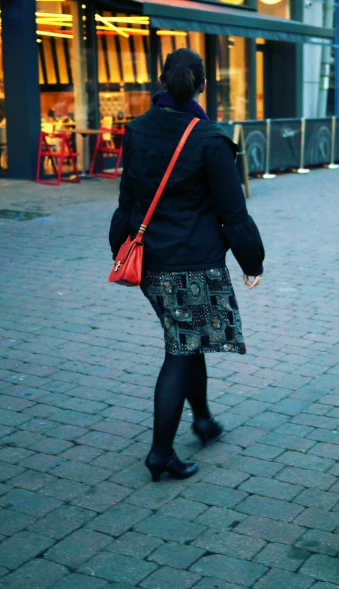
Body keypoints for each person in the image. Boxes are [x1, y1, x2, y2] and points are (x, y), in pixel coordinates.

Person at [108, 48, 265, 482]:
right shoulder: (210, 139)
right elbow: (233, 212)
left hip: (148, 261)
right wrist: (253, 260)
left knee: (186, 338)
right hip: (192, 264)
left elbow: (128, 199)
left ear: (162, 81)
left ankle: (203, 420)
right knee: (181, 348)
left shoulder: (136, 130)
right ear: (201, 85)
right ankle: (161, 454)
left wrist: (116, 243)